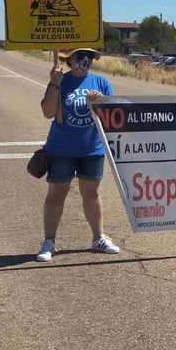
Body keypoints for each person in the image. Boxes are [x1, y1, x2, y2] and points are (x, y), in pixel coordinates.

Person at [36, 48, 120, 262]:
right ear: (70, 58)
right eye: (80, 56)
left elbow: (114, 117)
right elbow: (47, 112)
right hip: (61, 148)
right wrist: (54, 83)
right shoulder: (60, 80)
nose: (85, 60)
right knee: (56, 194)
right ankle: (49, 241)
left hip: (92, 149)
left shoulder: (101, 83)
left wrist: (100, 103)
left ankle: (98, 237)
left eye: (89, 56)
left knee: (91, 193)